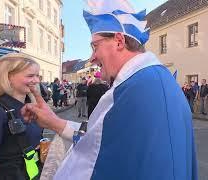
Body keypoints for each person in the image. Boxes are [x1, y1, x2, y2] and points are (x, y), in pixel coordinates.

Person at [21, 0, 197, 179]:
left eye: (95, 46)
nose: (92, 58)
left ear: (119, 41)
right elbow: (102, 139)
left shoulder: (133, 89)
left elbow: (94, 159)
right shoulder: (152, 80)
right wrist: (53, 121)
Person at [0, 53, 43, 179]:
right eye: (30, 76)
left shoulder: (31, 106)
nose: (36, 80)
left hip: (31, 173)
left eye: (37, 76)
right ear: (8, 76)